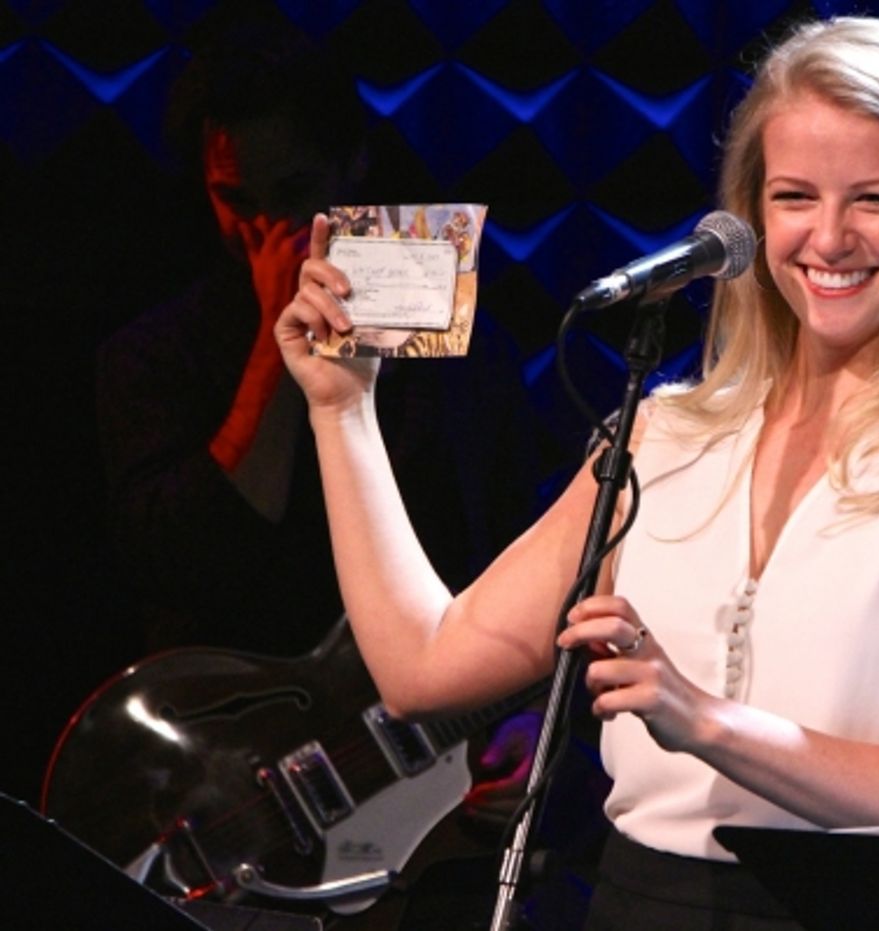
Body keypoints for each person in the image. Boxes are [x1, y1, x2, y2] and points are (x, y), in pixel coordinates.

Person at [277, 15, 879, 929]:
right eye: (794, 196)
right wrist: (341, 412)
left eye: (876, 199)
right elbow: (424, 666)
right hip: (639, 902)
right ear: (747, 217)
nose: (829, 236)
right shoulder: (661, 435)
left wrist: (704, 721)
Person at [93, 8, 558, 927]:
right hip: (233, 793)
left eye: (293, 197)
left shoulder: (462, 348)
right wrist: (278, 352)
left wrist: (527, 723)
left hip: (419, 786)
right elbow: (185, 555)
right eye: (237, 203)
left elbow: (525, 551)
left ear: (353, 169)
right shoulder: (152, 355)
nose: (268, 232)